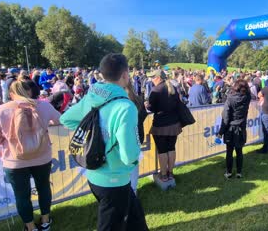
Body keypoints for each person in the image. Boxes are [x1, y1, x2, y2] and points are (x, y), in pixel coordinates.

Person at [60, 54, 148, 230]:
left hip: (95, 173)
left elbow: (67, 119)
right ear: (125, 75)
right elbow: (129, 155)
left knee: (135, 219)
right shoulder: (125, 106)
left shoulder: (93, 94)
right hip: (113, 179)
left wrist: (96, 135)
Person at [0, 80, 61, 231]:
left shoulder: (2, 110)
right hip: (42, 156)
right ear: (30, 92)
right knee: (44, 187)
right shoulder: (44, 105)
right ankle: (46, 221)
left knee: (22, 195)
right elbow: (60, 119)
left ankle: (30, 227)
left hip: (14, 160)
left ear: (11, 94)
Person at [145, 69, 182, 182]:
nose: (151, 79)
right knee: (171, 148)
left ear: (158, 78)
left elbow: (150, 107)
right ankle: (170, 173)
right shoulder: (173, 88)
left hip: (160, 126)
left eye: (152, 77)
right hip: (174, 124)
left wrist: (147, 105)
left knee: (162, 151)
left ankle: (164, 175)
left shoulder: (156, 90)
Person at [217, 79, 251, 178]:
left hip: (231, 128)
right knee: (239, 151)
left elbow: (226, 117)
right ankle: (239, 172)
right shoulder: (247, 97)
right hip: (240, 127)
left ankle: (229, 172)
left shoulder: (230, 99)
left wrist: (221, 132)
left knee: (229, 151)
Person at [124, 80, 147, 195]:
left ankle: (130, 190)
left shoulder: (120, 101)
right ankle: (133, 190)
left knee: (126, 165)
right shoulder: (137, 100)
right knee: (133, 164)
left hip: (126, 137)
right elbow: (143, 115)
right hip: (136, 135)